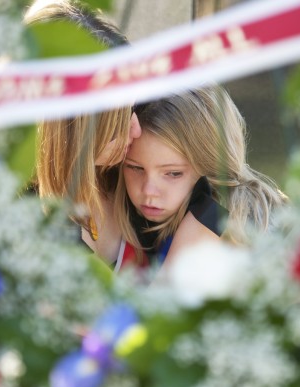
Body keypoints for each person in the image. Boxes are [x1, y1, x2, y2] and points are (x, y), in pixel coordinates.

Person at [24, 0, 227, 270]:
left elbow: (238, 207)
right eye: (118, 119)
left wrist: (202, 226)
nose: (136, 128)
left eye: (133, 107)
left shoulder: (132, 174)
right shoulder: (13, 218)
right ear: (74, 129)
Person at [113, 85, 288, 269]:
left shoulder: (214, 217)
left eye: (173, 173)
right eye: (135, 168)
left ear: (212, 165)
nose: (149, 190)